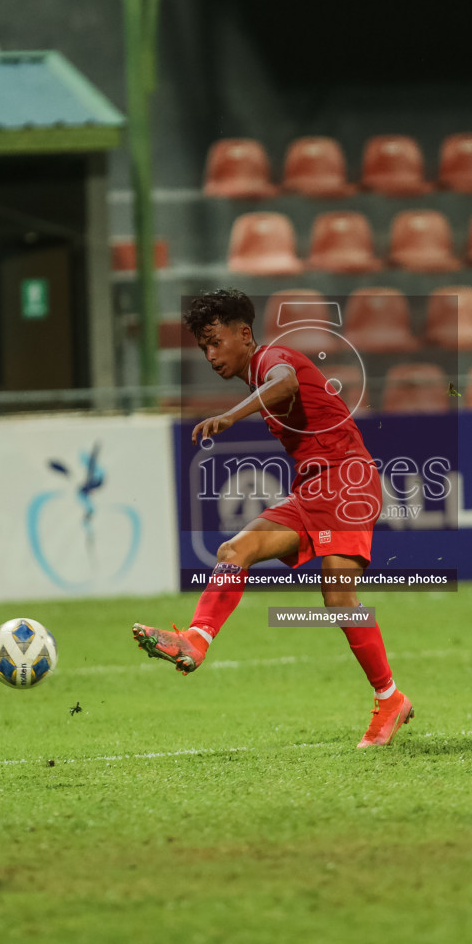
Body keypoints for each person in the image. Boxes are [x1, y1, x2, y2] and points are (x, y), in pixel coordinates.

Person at [129, 288, 412, 749]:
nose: (210, 355)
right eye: (203, 347)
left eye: (216, 341)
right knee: (234, 550)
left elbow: (286, 384)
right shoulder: (256, 371)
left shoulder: (271, 359)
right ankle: (196, 639)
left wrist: (231, 416)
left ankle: (389, 699)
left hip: (347, 481)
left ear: (245, 335)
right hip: (313, 488)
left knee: (338, 596)